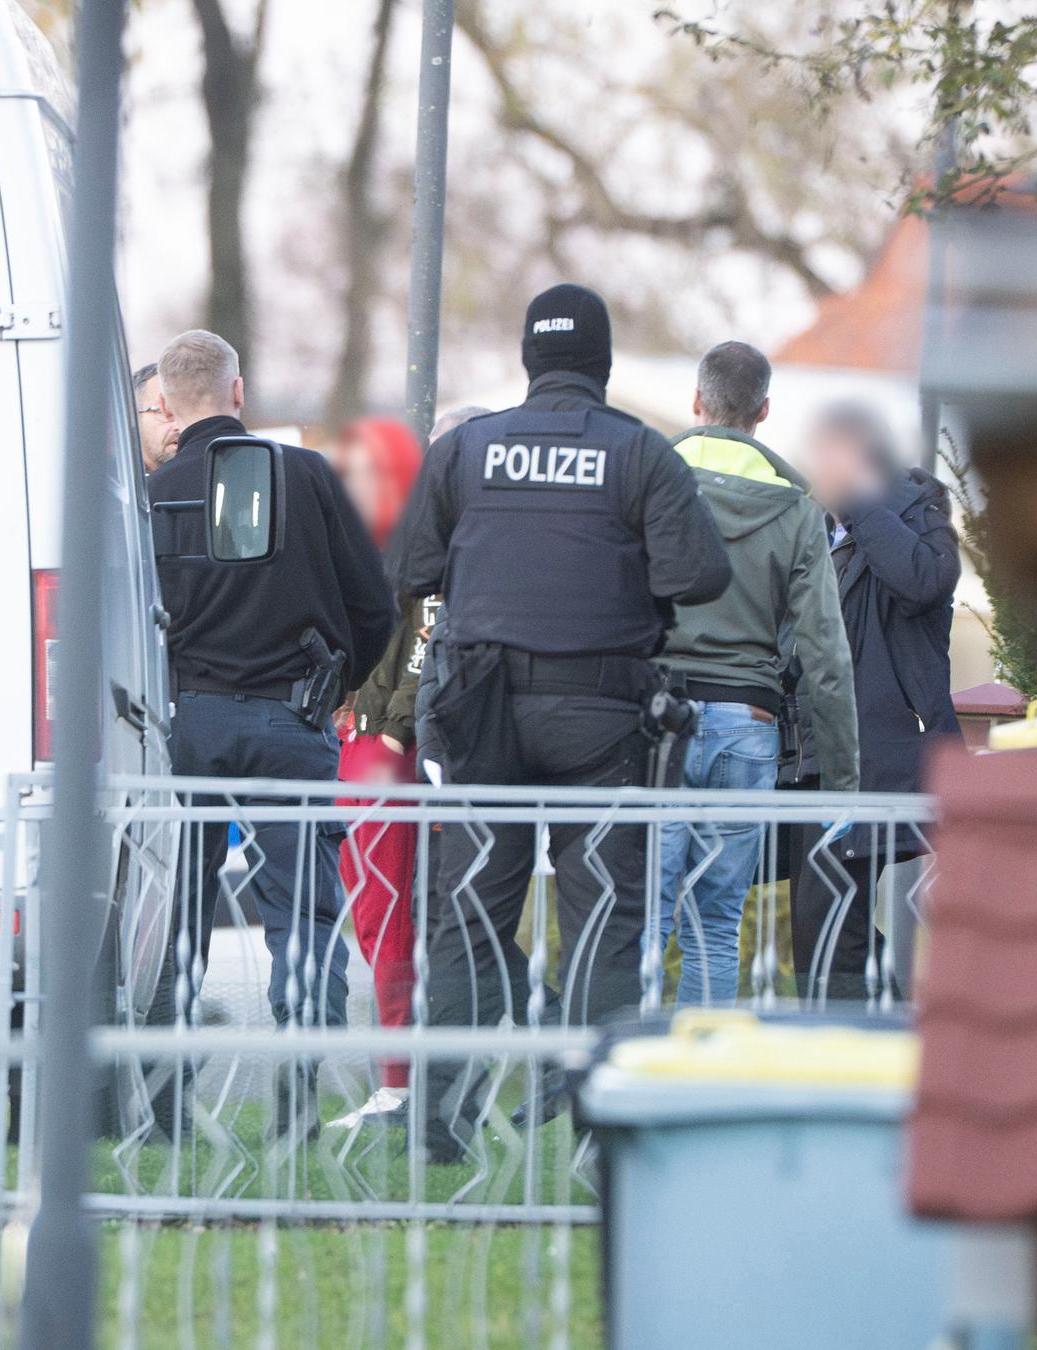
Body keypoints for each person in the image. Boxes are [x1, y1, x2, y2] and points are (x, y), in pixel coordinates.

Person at [390, 284, 732, 1159]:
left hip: (480, 713)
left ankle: (439, 1132)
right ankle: (602, 1136)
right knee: (605, 925)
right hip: (603, 716)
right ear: (603, 364)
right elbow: (699, 575)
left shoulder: (466, 450)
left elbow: (410, 566)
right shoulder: (639, 452)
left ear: (528, 361)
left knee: (468, 916)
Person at [148, 330, 398, 1136]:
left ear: (167, 405)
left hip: (188, 725)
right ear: (238, 391)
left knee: (179, 909)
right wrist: (340, 681)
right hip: (292, 718)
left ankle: (167, 1094)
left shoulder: (153, 495)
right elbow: (375, 602)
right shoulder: (308, 476)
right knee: (302, 910)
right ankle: (298, 1087)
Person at [654, 342, 859, 1007]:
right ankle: (700, 1062)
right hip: (749, 721)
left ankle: (628, 1067)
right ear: (764, 410)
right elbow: (826, 653)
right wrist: (843, 783)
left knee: (645, 917)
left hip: (655, 722)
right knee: (715, 921)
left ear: (696, 400)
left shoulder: (651, 482)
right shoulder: (796, 508)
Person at [328, 407, 488, 1131]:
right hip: (377, 743)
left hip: (390, 754)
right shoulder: (423, 529)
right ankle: (423, 1078)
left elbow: (427, 633)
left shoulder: (446, 536)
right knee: (391, 917)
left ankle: (402, 1085)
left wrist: (389, 727)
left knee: (389, 917)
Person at [790, 401, 960, 997]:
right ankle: (891, 1025)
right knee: (825, 926)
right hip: (816, 756)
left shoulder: (917, 509)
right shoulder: (816, 526)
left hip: (875, 753)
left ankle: (877, 1032)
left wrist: (859, 502)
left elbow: (924, 581)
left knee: (832, 925)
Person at [133, 362, 178, 472]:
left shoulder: (212, 473)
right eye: (162, 411)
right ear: (134, 417)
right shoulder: (117, 479)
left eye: (186, 412)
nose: (179, 425)